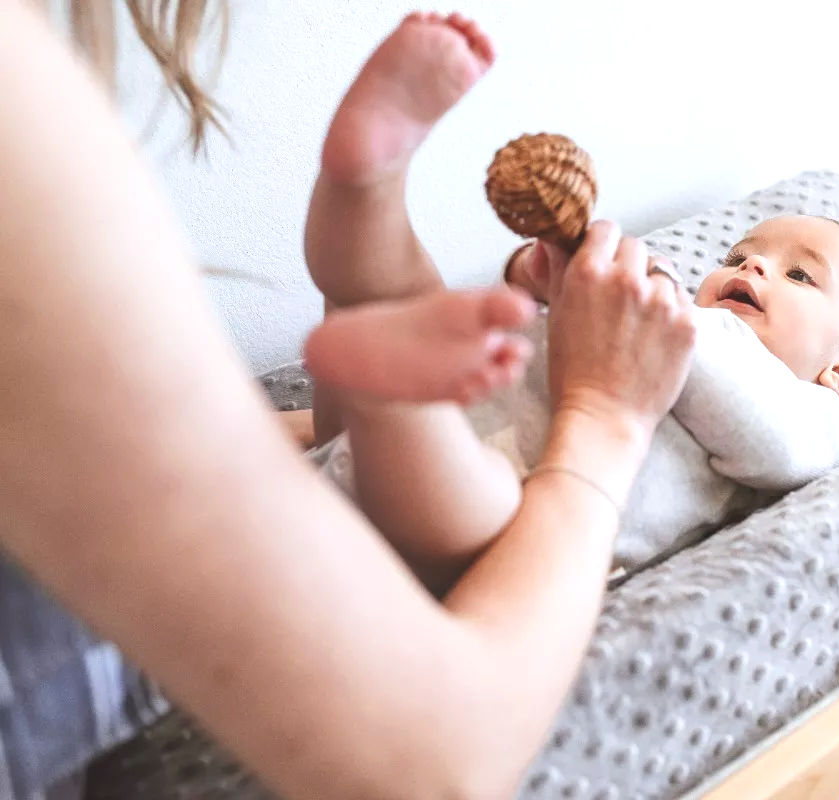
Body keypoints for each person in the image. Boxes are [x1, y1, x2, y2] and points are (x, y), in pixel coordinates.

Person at [0, 3, 695, 798]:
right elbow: (434, 766)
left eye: (798, 277)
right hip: (473, 470)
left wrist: (612, 391)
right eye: (749, 254)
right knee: (440, 413)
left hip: (441, 472)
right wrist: (607, 413)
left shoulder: (772, 385)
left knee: (452, 466)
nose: (750, 271)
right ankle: (369, 243)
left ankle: (368, 213)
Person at [298, 13, 839, 581]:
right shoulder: (663, 312)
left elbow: (774, 446)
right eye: (738, 257)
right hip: (397, 437)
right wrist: (548, 277)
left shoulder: (808, 411)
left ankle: (391, 379)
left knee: (447, 445)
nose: (754, 266)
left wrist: (658, 301)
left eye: (800, 276)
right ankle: (366, 189)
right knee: (400, 303)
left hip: (501, 516)